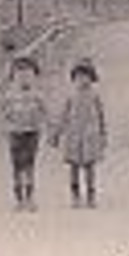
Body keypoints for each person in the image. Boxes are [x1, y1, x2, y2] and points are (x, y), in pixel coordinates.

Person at [51, 59, 107, 208]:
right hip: (74, 136)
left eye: (86, 76)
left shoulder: (95, 96)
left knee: (90, 167)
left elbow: (101, 116)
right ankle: (75, 195)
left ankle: (91, 195)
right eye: (78, 77)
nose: (82, 80)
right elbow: (63, 116)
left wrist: (103, 135)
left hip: (90, 137)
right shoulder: (70, 96)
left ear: (92, 78)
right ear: (74, 79)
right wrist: (56, 133)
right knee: (74, 167)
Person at [3, 56, 48, 211]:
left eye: (28, 75)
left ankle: (29, 197)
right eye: (19, 75)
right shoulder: (9, 96)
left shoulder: (38, 95)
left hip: (32, 132)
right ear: (13, 78)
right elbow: (5, 114)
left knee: (29, 165)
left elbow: (45, 113)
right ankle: (18, 198)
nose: (24, 79)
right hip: (15, 133)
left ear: (34, 77)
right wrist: (8, 126)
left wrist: (48, 126)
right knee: (17, 166)